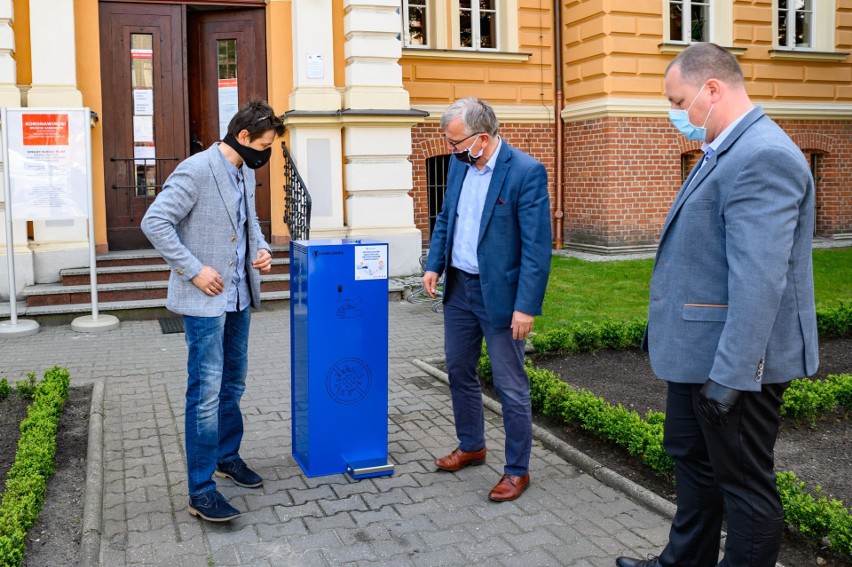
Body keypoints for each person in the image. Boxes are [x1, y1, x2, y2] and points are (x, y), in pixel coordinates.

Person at [616, 43, 818, 567]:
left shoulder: (764, 155)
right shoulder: (725, 147)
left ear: (712, 90)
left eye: (678, 100)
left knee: (745, 487)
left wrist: (730, 378)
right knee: (694, 466)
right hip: (698, 353)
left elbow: (759, 282)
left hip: (736, 365)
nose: (675, 114)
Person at [141, 99, 285, 522]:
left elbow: (249, 222)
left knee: (233, 385)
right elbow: (155, 222)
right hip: (205, 299)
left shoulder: (242, 172)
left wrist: (260, 249)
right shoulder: (196, 169)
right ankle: (200, 490)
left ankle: (227, 456)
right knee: (204, 395)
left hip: (239, 297)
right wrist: (193, 270)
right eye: (264, 145)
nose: (267, 154)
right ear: (243, 137)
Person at [422, 97, 551, 502]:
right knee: (459, 370)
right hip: (459, 288)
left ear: (482, 138)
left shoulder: (526, 172)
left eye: (457, 142)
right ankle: (472, 445)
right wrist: (433, 265)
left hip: (500, 295)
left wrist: (526, 306)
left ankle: (517, 470)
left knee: (510, 384)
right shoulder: (460, 167)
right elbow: (446, 218)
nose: (452, 150)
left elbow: (536, 247)